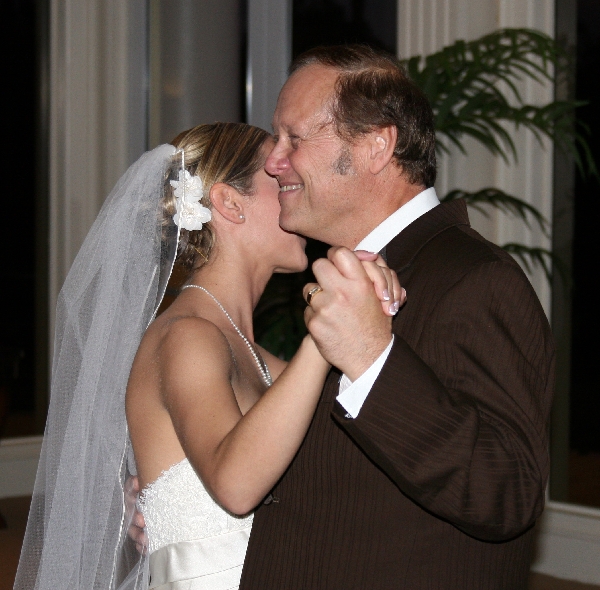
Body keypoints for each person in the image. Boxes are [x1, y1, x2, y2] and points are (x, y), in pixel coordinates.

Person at [13, 121, 400, 590]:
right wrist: (325, 335)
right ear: (229, 203)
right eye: (276, 181)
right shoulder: (187, 336)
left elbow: (349, 470)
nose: (295, 188)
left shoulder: (256, 357)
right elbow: (235, 486)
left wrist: (372, 303)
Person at [237, 45, 555, 590]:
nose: (273, 161)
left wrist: (371, 359)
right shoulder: (345, 279)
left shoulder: (476, 279)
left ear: (375, 146)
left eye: (295, 138)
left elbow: (510, 493)